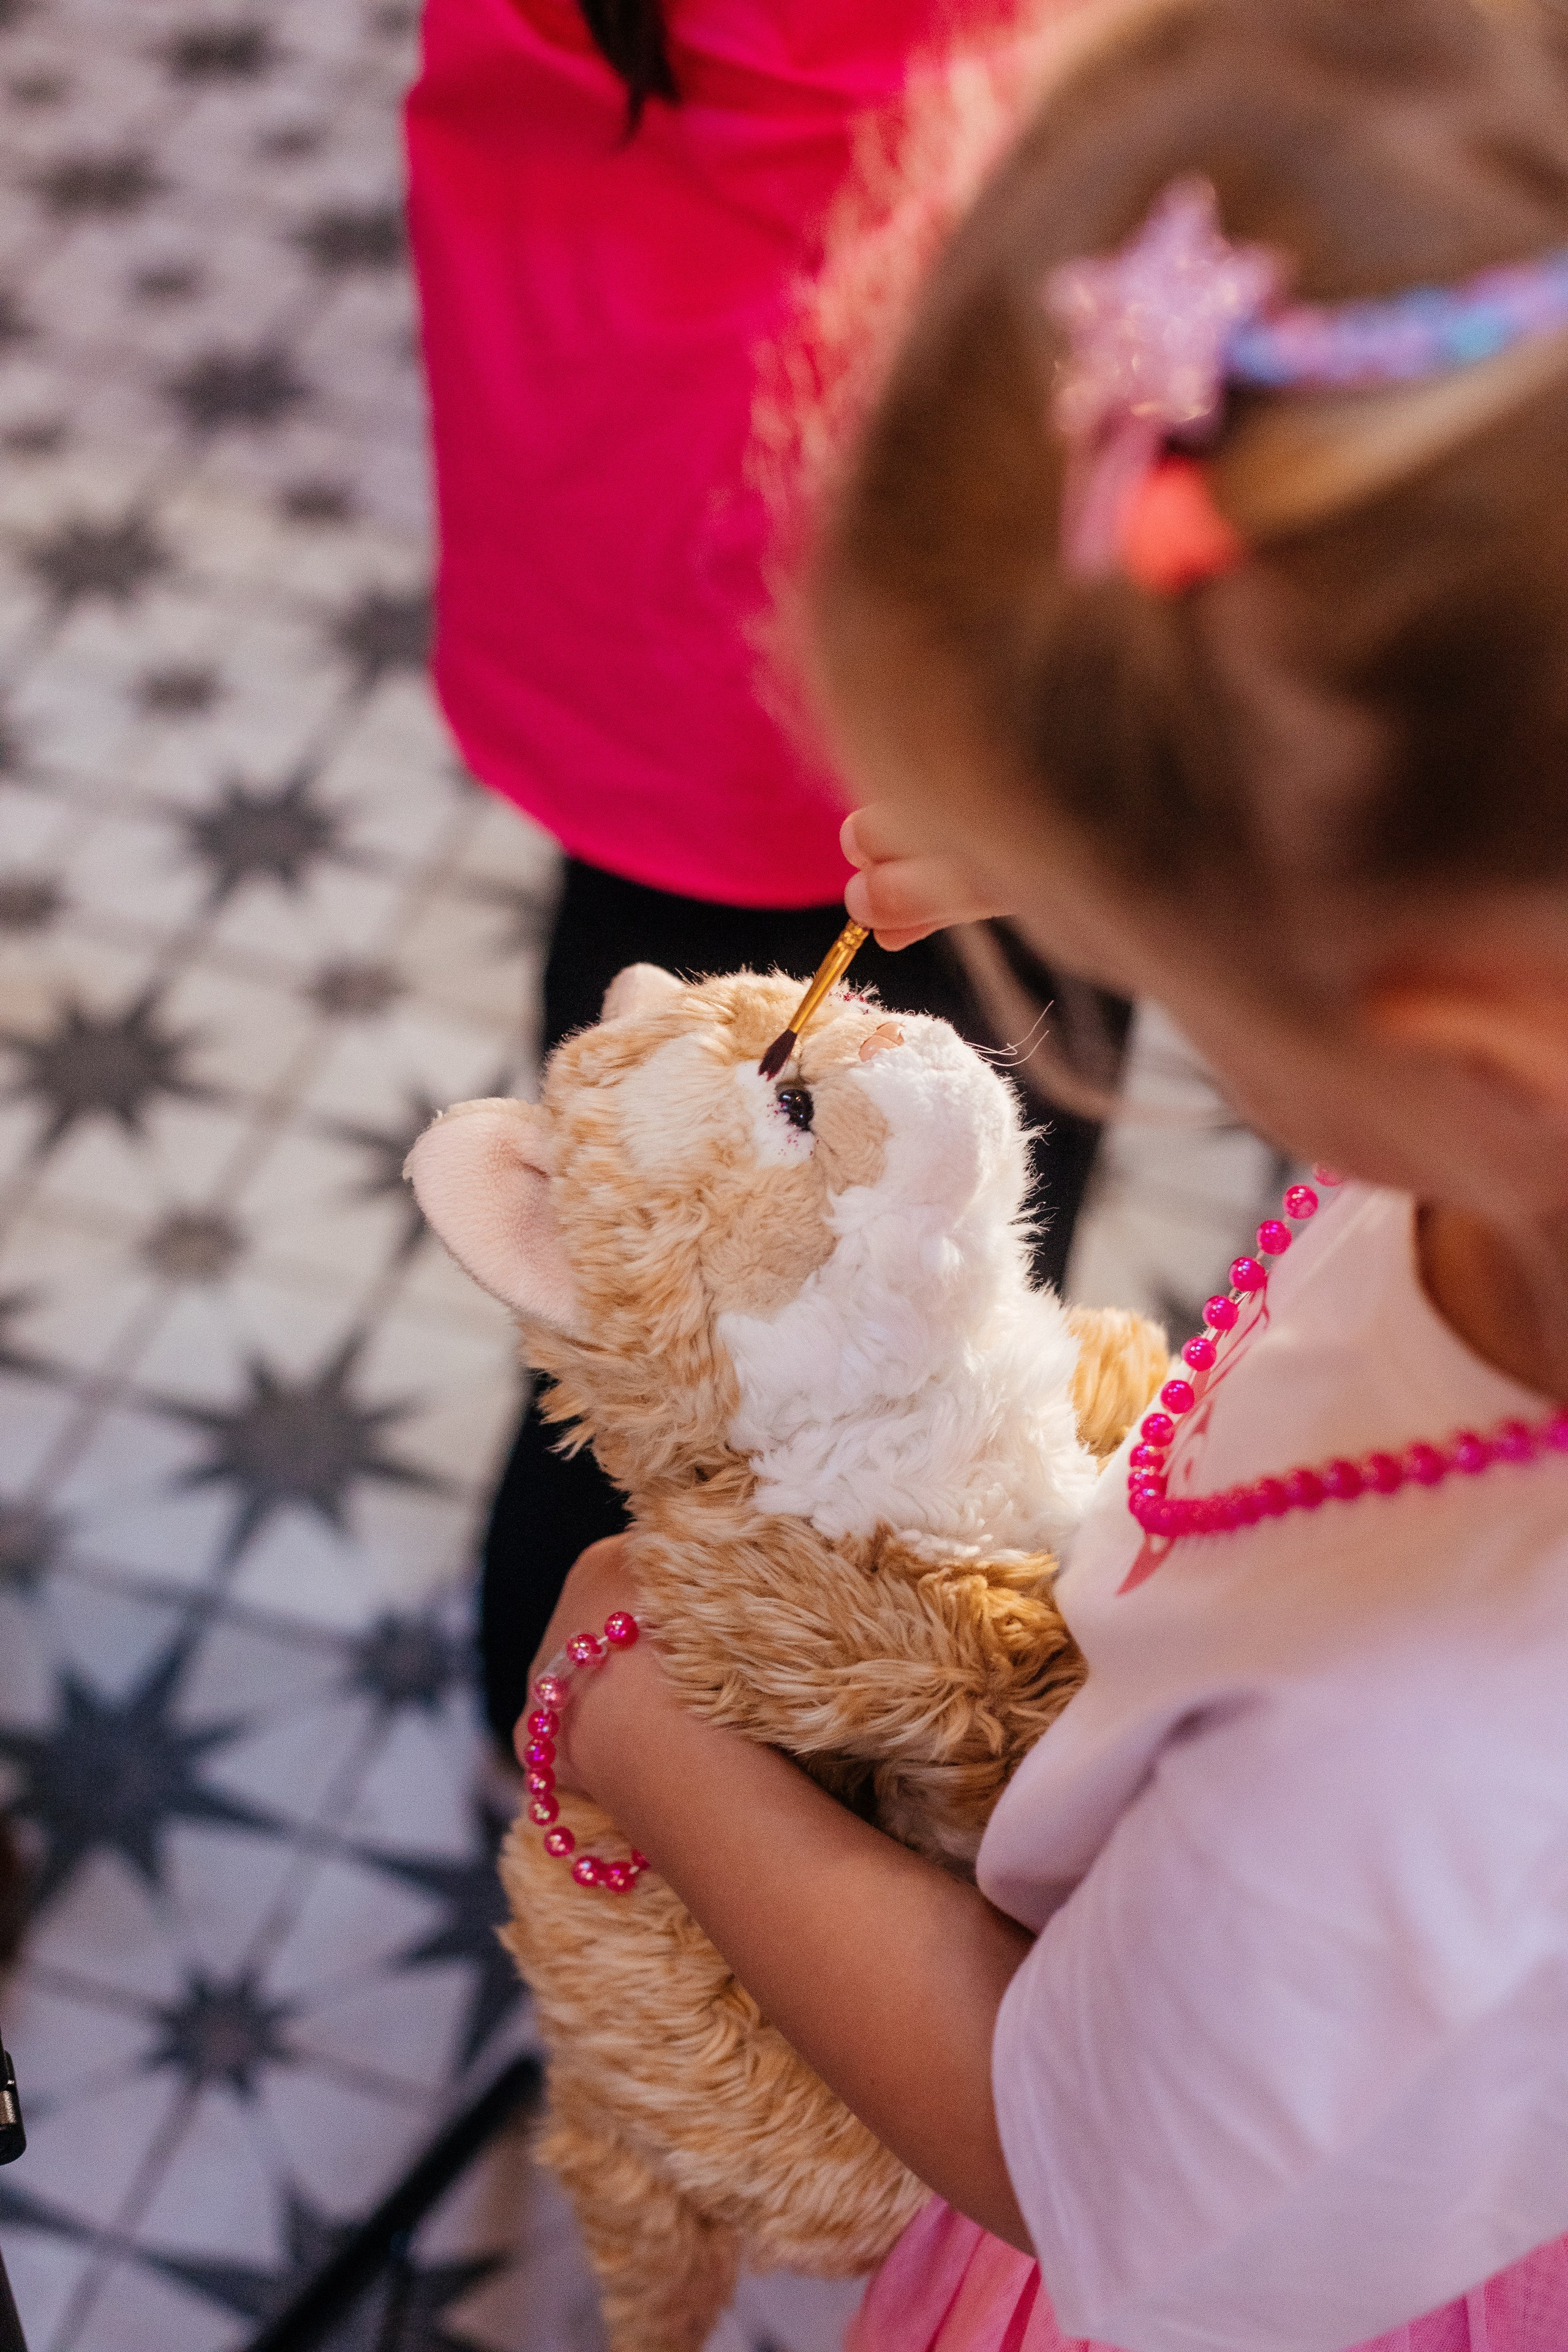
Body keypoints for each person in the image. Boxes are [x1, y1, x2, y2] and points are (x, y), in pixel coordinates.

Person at [511, 1, 1568, 2346]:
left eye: (1167, 946)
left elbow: (1071, 2153)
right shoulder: (1517, 1091)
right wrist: (1144, 853)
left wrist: (634, 1709)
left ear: (1440, 1032)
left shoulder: (1429, 1786)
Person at [404, 0, 1120, 1747]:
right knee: (843, 1313)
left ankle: (571, 1731)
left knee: (676, 1306)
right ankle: (647, 1769)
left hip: (647, 575)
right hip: (944, 687)